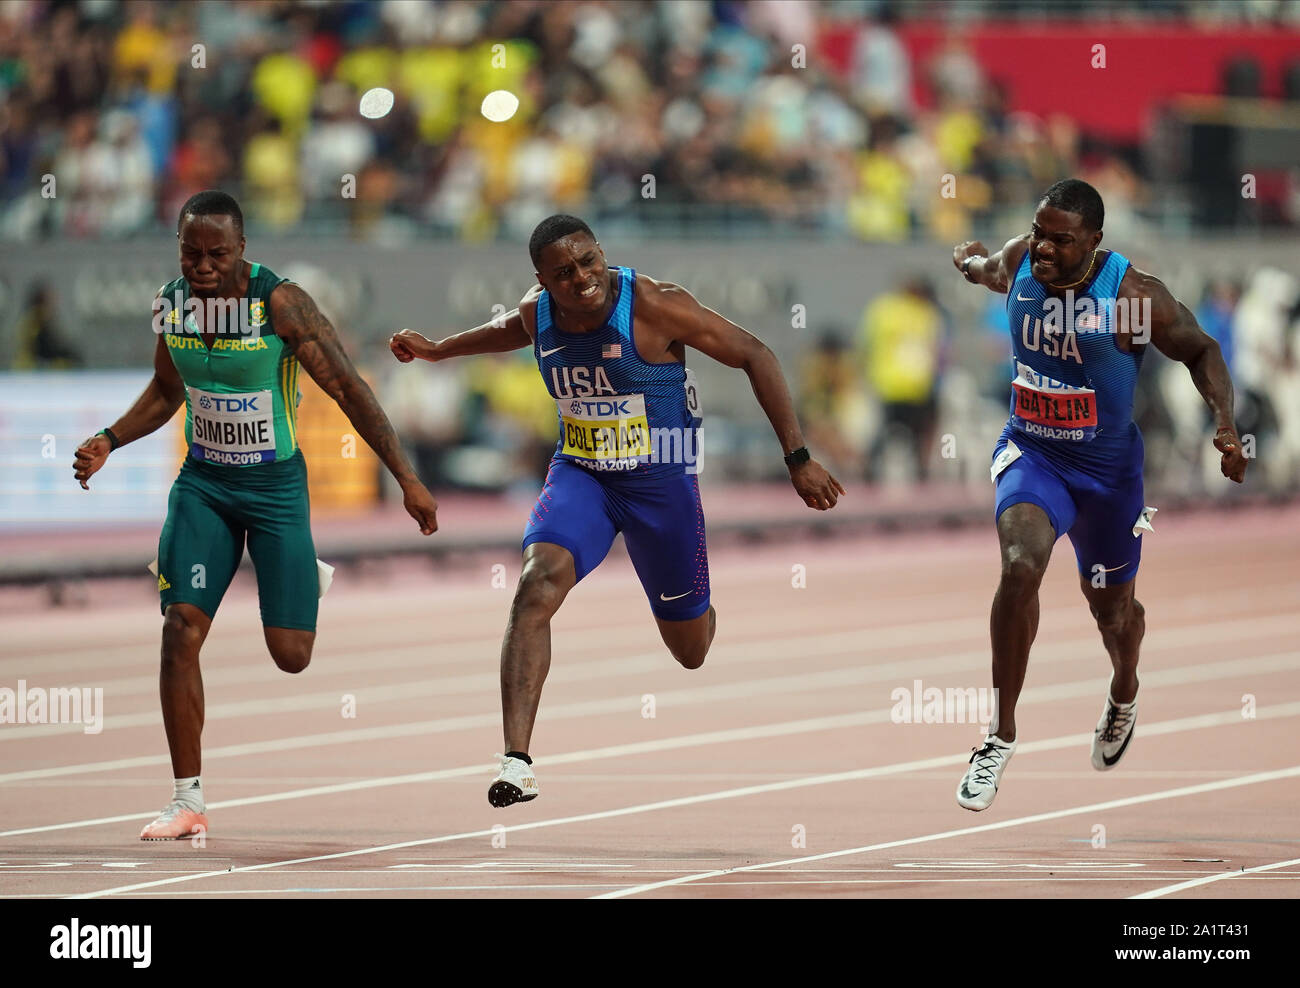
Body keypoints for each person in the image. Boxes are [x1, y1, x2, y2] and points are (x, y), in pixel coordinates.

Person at [391, 214, 844, 807]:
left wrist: (798, 457)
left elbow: (755, 354)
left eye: (589, 262)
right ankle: (516, 761)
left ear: (601, 254)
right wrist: (439, 351)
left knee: (691, 651)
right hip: (583, 475)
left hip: (662, 483)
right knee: (535, 585)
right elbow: (509, 329)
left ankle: (698, 599)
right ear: (542, 280)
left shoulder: (656, 304)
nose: (582, 279)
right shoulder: (539, 312)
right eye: (564, 273)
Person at [72, 190, 439, 839]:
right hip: (204, 486)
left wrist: (407, 478)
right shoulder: (172, 301)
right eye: (191, 254)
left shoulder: (281, 304)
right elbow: (166, 389)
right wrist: (110, 438)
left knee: (291, 654)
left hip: (274, 490)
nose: (203, 267)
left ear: (242, 250)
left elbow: (350, 387)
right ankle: (187, 800)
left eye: (217, 254)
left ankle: (296, 572)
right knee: (180, 627)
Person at [951, 178, 1247, 811]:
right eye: (1039, 233)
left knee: (1112, 612)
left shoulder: (1132, 298)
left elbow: (1201, 349)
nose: (1044, 249)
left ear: (1094, 242)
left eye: (1061, 240)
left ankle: (1124, 689)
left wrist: (1225, 423)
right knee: (1019, 564)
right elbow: (989, 270)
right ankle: (999, 736)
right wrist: (970, 261)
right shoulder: (1021, 261)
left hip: (1109, 477)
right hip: (1034, 455)